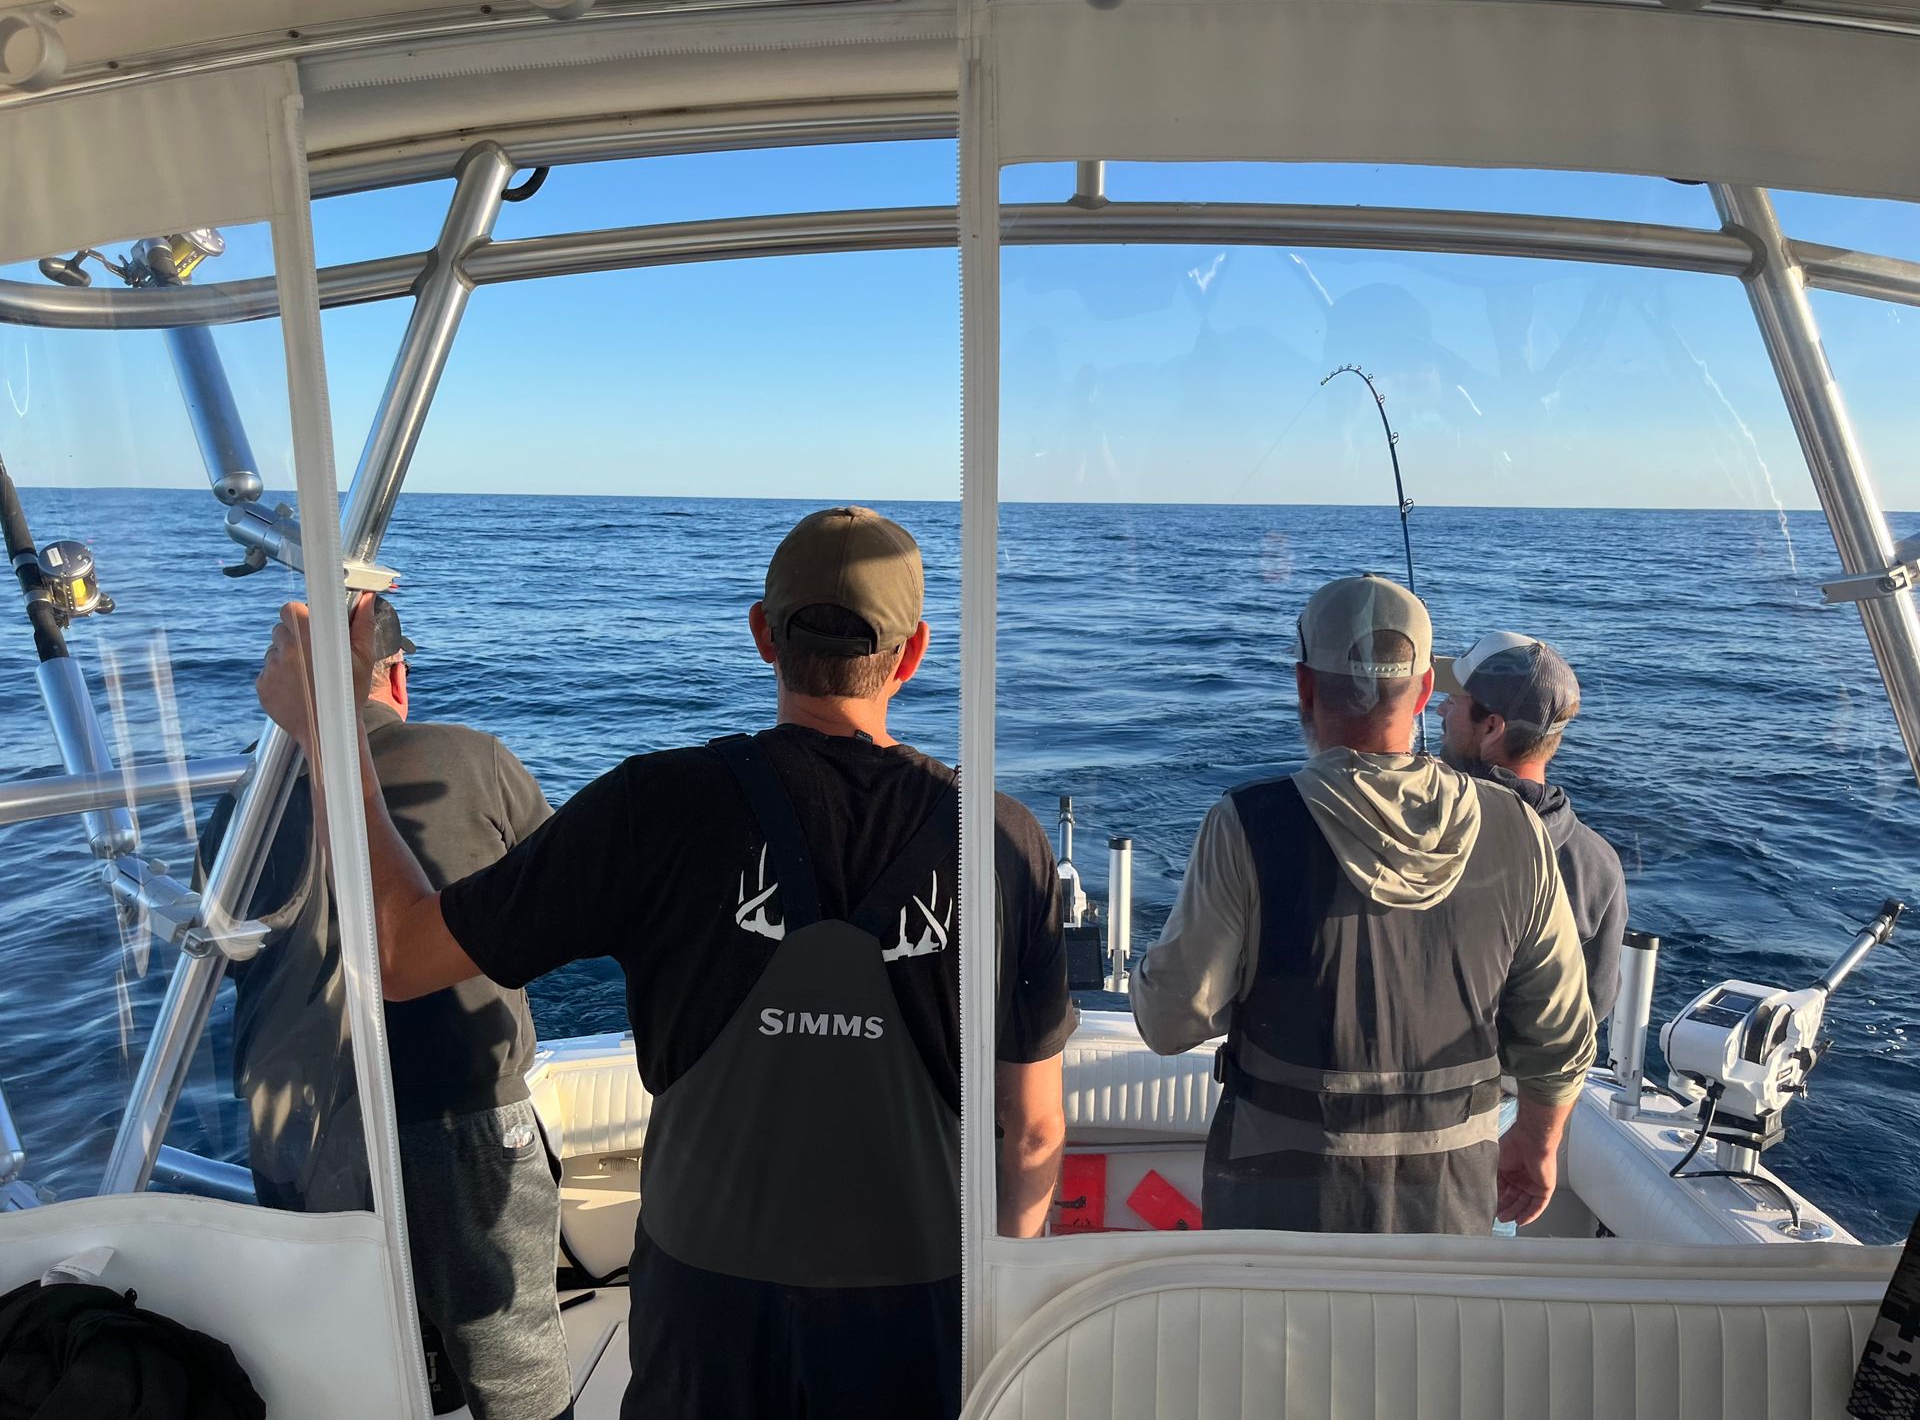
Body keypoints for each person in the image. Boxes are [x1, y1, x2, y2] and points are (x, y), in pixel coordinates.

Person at [253, 507, 1071, 1420]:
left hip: (705, 1308)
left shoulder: (653, 805)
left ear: (763, 634)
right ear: (913, 653)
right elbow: (1031, 1133)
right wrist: (995, 1309)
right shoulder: (1004, 839)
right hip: (917, 1306)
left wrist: (332, 731)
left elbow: (399, 953)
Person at [1130, 575, 1595, 1235]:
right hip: (1451, 1205)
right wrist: (1538, 1143)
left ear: (1305, 687)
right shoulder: (1517, 828)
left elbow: (1171, 1022)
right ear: (1427, 690)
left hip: (1273, 1214)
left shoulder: (1244, 824)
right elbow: (1559, 1034)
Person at [209, 596, 572, 1420]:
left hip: (297, 1131)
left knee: (347, 1358)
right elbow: (555, 906)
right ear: (397, 676)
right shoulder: (472, 757)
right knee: (510, 1355)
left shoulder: (243, 809)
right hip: (460, 1114)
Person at [1435, 631, 1628, 1021]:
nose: (1440, 711)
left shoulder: (1429, 830)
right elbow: (1593, 1005)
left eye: (1452, 702)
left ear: (1491, 727)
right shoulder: (1598, 863)